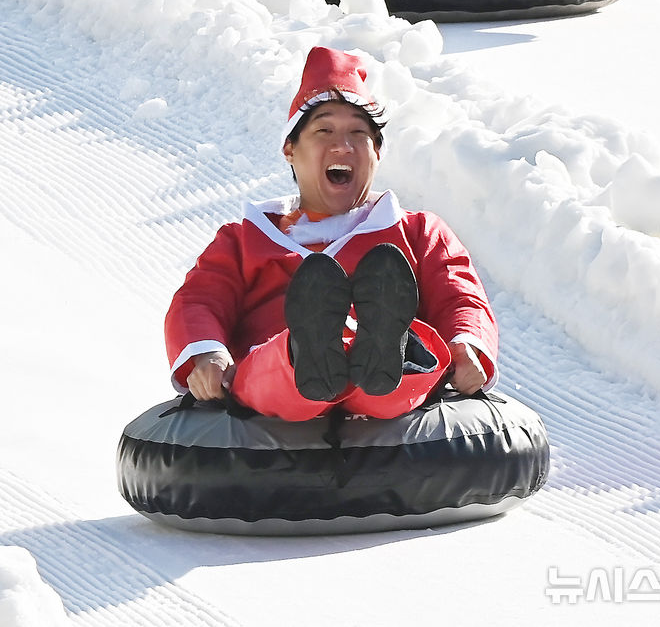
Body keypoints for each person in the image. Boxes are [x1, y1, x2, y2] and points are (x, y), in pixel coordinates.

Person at [165, 46, 498, 422]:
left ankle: (386, 353)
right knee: (273, 369)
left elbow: (460, 295)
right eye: (324, 130)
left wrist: (466, 344)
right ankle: (306, 350)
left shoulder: (417, 232)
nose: (343, 146)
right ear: (290, 149)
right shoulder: (246, 239)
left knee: (409, 362)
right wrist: (206, 352)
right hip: (277, 383)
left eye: (359, 133)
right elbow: (199, 300)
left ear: (376, 153)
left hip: (390, 390)